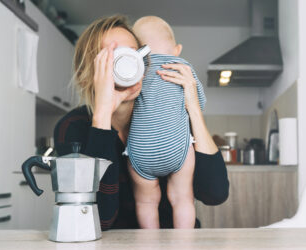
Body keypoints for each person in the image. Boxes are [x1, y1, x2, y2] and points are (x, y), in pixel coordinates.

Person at [54, 15, 229, 230]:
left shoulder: (167, 113)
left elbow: (215, 194)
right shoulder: (72, 128)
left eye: (134, 53)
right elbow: (99, 220)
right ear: (87, 74)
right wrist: (102, 115)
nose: (128, 63)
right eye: (113, 56)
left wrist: (192, 107)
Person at [124, 16, 206, 229]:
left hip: (142, 150)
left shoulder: (136, 69)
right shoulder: (182, 67)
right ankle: (183, 242)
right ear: (177, 48)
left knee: (146, 202)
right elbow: (199, 103)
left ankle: (150, 242)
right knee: (183, 199)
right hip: (176, 148)